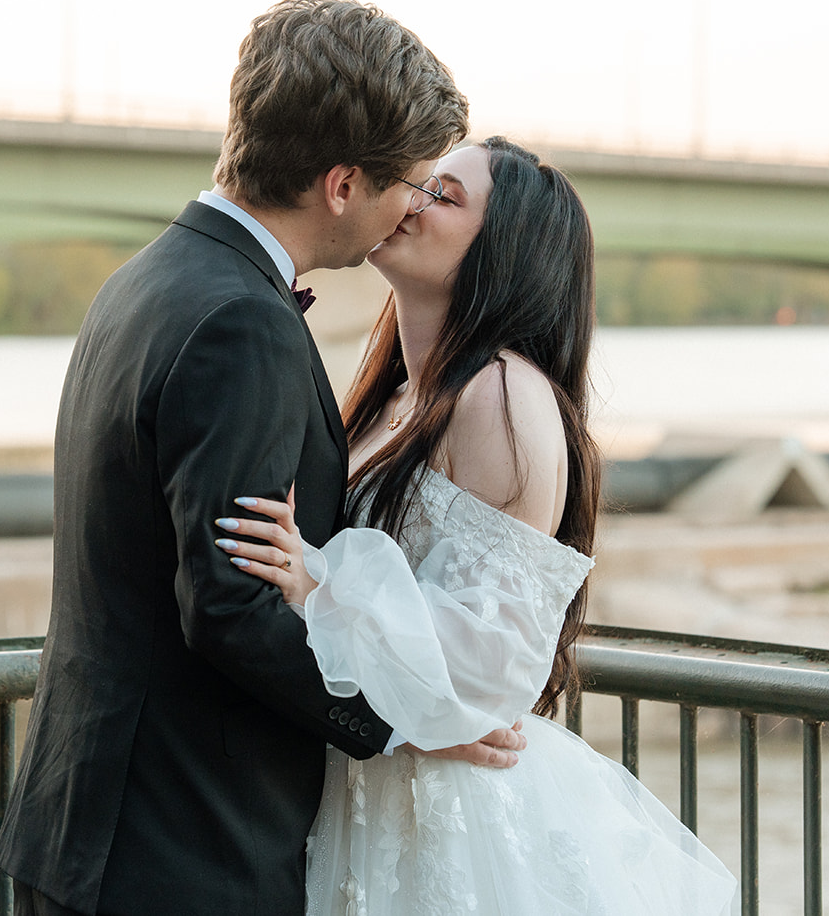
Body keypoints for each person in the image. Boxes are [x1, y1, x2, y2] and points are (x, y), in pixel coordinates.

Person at [0, 0, 527, 916]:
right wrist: (399, 726)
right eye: (408, 183)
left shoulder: (144, 282)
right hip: (181, 856)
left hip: (77, 833)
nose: (409, 208)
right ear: (343, 184)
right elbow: (230, 607)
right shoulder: (242, 322)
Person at [216, 138, 739, 913]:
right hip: (369, 786)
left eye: (444, 195)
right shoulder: (394, 397)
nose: (410, 198)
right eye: (421, 183)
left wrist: (313, 582)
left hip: (446, 814)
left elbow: (495, 662)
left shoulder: (501, 394)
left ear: (503, 249)